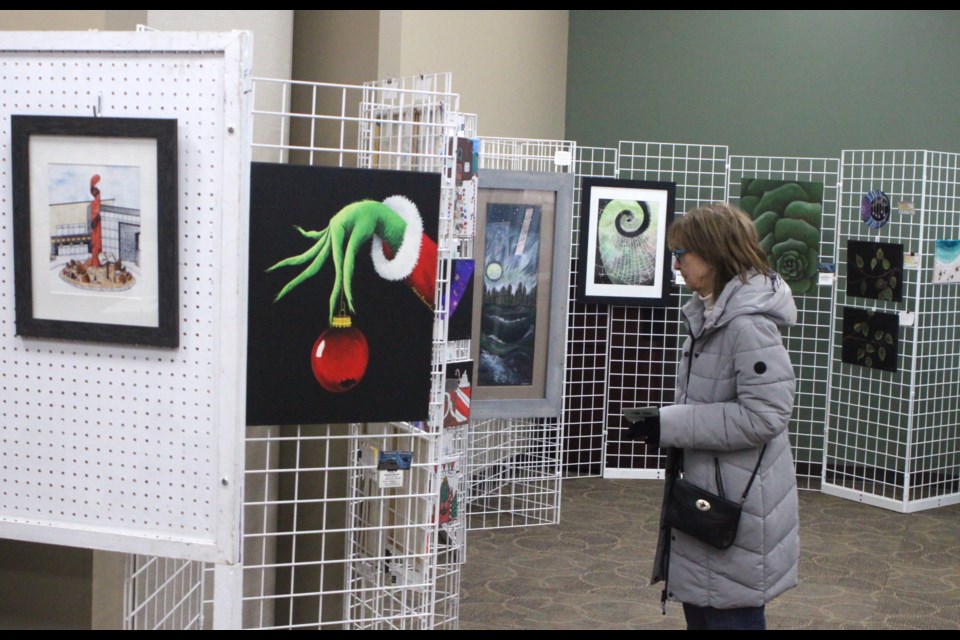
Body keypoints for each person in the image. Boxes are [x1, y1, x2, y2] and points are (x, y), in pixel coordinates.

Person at [627, 203, 800, 630]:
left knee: (728, 617)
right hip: (712, 495)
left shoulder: (747, 325)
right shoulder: (710, 312)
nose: (676, 263)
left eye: (681, 252)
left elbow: (765, 415)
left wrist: (671, 423)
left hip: (734, 502)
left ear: (712, 253)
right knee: (706, 613)